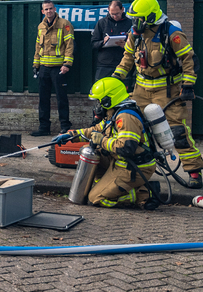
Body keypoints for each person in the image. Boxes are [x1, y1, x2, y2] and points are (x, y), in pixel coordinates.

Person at [112, 0, 203, 188]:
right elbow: (128, 57)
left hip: (167, 91)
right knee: (132, 127)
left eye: (139, 19)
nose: (135, 23)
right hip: (140, 90)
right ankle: (136, 167)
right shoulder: (135, 33)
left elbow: (189, 59)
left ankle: (194, 171)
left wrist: (187, 85)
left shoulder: (170, 32)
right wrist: (116, 79)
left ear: (151, 17)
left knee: (178, 131)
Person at [53, 77, 157, 208]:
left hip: (133, 168)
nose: (98, 105)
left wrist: (101, 140)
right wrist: (71, 135)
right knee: (91, 152)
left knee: (95, 198)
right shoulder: (114, 112)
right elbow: (96, 130)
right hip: (120, 161)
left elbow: (126, 148)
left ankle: (142, 194)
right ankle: (108, 185)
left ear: (109, 99)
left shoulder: (125, 117)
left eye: (99, 101)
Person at [31, 0, 74, 136]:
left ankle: (65, 127)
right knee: (43, 99)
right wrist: (35, 65)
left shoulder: (65, 25)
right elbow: (38, 47)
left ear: (55, 9)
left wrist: (67, 64)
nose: (49, 11)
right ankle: (44, 128)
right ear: (42, 11)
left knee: (62, 98)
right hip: (44, 68)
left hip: (59, 68)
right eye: (46, 9)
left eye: (51, 9)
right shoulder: (40, 26)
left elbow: (70, 45)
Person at [90, 0, 131, 82]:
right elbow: (93, 44)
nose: (115, 16)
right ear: (108, 10)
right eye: (112, 14)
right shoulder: (102, 23)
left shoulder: (130, 23)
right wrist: (103, 42)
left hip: (123, 63)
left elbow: (136, 45)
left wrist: (126, 45)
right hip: (104, 64)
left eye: (117, 14)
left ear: (122, 10)